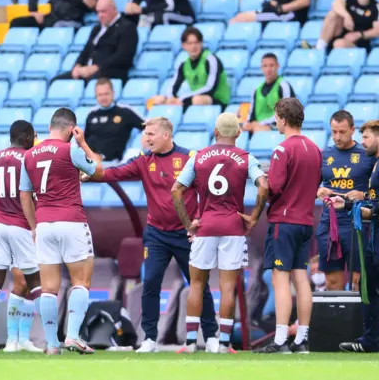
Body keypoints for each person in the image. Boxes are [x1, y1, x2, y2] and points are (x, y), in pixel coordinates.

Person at [83, 116, 219, 353]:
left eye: (151, 134)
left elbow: (208, 192)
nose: (146, 138)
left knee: (198, 284)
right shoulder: (144, 162)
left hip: (185, 235)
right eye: (145, 134)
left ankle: (211, 337)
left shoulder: (189, 159)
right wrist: (90, 172)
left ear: (166, 135)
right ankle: (150, 339)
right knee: (151, 283)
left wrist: (200, 221)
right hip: (156, 234)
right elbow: (112, 173)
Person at [172, 113, 268, 354]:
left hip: (205, 227)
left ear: (215, 132)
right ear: (238, 133)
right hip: (233, 227)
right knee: (227, 287)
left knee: (196, 284)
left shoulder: (198, 157)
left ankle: (191, 343)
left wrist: (187, 224)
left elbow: (176, 190)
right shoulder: (246, 158)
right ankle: (224, 344)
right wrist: (254, 217)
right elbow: (264, 185)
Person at [19, 108, 104, 355]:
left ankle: (52, 345)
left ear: (49, 128)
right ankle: (73, 336)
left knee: (48, 287)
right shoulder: (71, 149)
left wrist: (34, 227)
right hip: (71, 221)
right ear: (71, 129)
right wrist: (83, 142)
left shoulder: (30, 154)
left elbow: (25, 195)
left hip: (44, 224)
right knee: (81, 280)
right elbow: (98, 170)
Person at [254, 98, 322, 354]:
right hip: (305, 220)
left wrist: (261, 182)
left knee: (280, 279)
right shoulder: (315, 149)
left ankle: (281, 339)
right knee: (301, 279)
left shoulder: (283, 150)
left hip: (284, 221)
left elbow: (275, 187)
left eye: (276, 118)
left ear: (282, 119)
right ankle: (301, 339)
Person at [0, 120, 44, 354]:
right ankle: (48, 340)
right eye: (33, 137)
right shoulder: (30, 159)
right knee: (35, 281)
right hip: (22, 225)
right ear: (26, 137)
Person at [333, 119, 379, 353]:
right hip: (374, 238)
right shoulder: (376, 164)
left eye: (367, 137)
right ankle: (370, 341)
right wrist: (349, 205)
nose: (362, 142)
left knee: (370, 286)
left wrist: (367, 210)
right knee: (368, 286)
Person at [316, 111, 374, 291]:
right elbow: (311, 186)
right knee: (332, 283)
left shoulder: (367, 154)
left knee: (358, 282)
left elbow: (376, 190)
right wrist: (318, 190)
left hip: (357, 224)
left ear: (352, 130)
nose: (337, 137)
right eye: (334, 132)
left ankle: (360, 320)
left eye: (342, 132)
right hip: (329, 223)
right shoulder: (324, 155)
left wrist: (363, 195)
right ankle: (336, 319)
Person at [52, 0, 138, 84]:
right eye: (98, 12)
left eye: (103, 12)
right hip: (88, 71)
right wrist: (77, 66)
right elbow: (85, 52)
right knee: (56, 81)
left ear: (114, 9)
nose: (100, 16)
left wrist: (96, 67)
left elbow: (123, 56)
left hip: (109, 72)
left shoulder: (127, 27)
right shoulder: (97, 29)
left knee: (92, 81)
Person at [152, 27, 230, 111]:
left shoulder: (211, 60)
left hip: (216, 100)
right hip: (192, 98)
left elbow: (210, 88)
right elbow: (173, 86)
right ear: (183, 45)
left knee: (197, 100)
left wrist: (183, 98)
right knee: (159, 99)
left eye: (196, 42)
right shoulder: (183, 64)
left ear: (201, 43)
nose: (193, 46)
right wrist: (171, 98)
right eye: (189, 43)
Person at [85, 78, 145, 162]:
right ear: (96, 96)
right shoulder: (91, 114)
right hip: (91, 162)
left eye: (106, 94)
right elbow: (85, 141)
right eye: (100, 95)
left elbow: (147, 126)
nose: (103, 97)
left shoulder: (125, 112)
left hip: (115, 163)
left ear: (113, 93)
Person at [307, 0, 379, 51]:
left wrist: (359, 35)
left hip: (358, 45)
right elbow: (336, 3)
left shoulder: (376, 7)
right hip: (339, 36)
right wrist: (346, 16)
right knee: (333, 14)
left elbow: (377, 30)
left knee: (339, 44)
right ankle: (319, 48)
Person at [243, 53, 295, 133]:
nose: (268, 69)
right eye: (265, 66)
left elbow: (287, 113)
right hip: (257, 126)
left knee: (259, 129)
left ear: (277, 66)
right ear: (261, 68)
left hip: (278, 127)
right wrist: (247, 124)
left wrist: (261, 123)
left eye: (271, 65)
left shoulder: (284, 86)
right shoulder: (256, 90)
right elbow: (251, 115)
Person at [10, 0, 103, 29]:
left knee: (60, 28)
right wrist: (33, 11)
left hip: (72, 21)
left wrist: (95, 4)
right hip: (51, 18)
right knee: (16, 22)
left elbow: (103, 5)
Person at [230, 0, 311, 25]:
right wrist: (272, 4)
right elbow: (276, 0)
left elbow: (305, 1)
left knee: (238, 19)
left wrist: (281, 8)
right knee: (236, 18)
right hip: (277, 13)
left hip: (292, 15)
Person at [124, 0, 195, 27]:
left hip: (183, 16)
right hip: (157, 15)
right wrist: (130, 8)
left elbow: (170, 6)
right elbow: (132, 5)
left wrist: (142, 10)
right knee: (127, 18)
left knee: (160, 17)